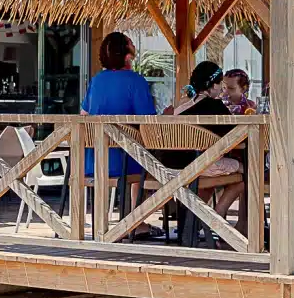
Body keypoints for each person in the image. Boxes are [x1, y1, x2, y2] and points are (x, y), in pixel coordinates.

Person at [80, 32, 157, 235]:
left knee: (137, 154)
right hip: (124, 161)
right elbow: (148, 122)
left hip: (94, 160)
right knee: (152, 162)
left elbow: (84, 115)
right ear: (126, 53)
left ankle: (109, 224)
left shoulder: (97, 81)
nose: (134, 45)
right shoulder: (136, 81)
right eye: (131, 42)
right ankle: (133, 221)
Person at [171, 61, 246, 234]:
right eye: (220, 84)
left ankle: (195, 223)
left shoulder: (181, 109)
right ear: (212, 85)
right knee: (248, 172)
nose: (221, 89)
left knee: (211, 176)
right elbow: (237, 137)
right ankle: (216, 221)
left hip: (175, 168)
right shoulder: (215, 107)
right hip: (201, 166)